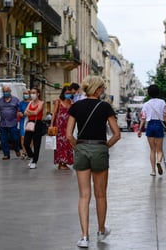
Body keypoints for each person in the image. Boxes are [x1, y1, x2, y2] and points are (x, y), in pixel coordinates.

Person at [66, 76, 120, 248]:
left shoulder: (76, 107)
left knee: (84, 195)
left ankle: (84, 236)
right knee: (101, 194)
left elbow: (68, 134)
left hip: (81, 149)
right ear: (97, 90)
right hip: (99, 149)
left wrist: (78, 147)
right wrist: (106, 146)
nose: (103, 90)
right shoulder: (105, 107)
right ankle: (101, 230)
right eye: (103, 88)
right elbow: (117, 133)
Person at [137, 84, 166, 177]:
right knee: (159, 150)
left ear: (149, 93)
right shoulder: (162, 102)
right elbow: (165, 116)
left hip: (150, 126)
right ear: (158, 92)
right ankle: (159, 162)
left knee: (152, 150)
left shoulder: (146, 104)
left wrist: (140, 129)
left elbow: (143, 118)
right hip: (159, 125)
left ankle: (153, 171)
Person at [0, 84, 21, 160]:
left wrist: (19, 114)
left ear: (10, 91)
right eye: (4, 91)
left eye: (7, 91)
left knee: (15, 138)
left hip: (13, 123)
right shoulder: (0, 101)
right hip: (3, 124)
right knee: (3, 140)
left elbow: (19, 109)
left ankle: (17, 149)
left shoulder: (15, 100)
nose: (5, 93)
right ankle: (6, 154)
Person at [50, 86, 73, 170]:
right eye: (66, 93)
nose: (68, 95)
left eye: (69, 93)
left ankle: (65, 162)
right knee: (59, 144)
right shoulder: (58, 102)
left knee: (67, 143)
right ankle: (60, 162)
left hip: (68, 126)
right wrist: (51, 125)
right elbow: (54, 114)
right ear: (63, 93)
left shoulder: (71, 102)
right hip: (59, 126)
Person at [24, 87, 45, 169]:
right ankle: (31, 155)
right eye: (31, 93)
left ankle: (34, 161)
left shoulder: (41, 102)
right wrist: (31, 112)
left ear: (38, 94)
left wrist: (30, 112)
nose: (32, 94)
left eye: (34, 93)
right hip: (30, 123)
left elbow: (37, 112)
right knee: (26, 142)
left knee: (36, 143)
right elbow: (25, 112)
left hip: (38, 123)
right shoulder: (30, 103)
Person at [18, 89, 31, 159]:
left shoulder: (32, 103)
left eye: (26, 93)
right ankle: (23, 151)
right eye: (24, 93)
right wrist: (19, 113)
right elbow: (19, 111)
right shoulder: (21, 103)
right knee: (23, 137)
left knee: (30, 137)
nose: (25, 95)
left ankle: (29, 151)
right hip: (23, 121)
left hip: (30, 120)